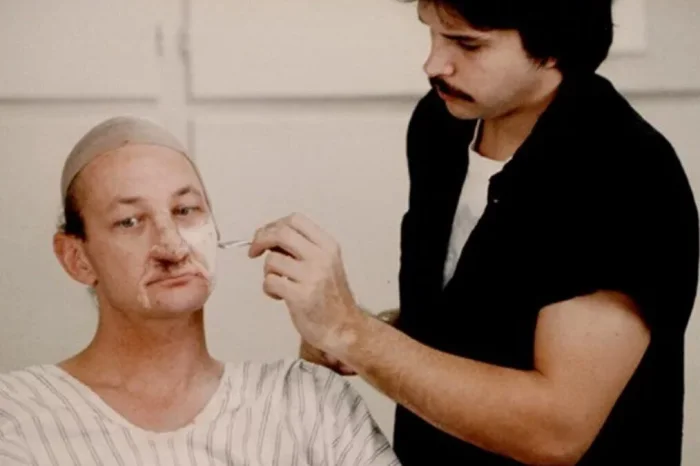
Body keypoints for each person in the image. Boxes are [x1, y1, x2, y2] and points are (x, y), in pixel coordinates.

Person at [247, 0, 700, 465]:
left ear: (554, 47)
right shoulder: (441, 124)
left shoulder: (625, 174)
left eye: (467, 44)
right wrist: (365, 333)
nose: (433, 65)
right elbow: (488, 310)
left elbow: (555, 430)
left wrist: (353, 332)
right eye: (431, 32)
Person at [0, 116, 400, 466]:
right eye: (129, 221)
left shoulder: (307, 399)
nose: (172, 247)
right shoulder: (16, 416)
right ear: (76, 258)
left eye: (185, 210)